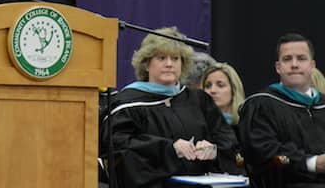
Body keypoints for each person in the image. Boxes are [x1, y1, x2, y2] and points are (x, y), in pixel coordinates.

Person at [100, 27, 241, 187]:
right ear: (146, 64)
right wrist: (169, 148)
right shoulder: (127, 104)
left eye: (175, 58)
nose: (169, 64)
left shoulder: (199, 100)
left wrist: (214, 149)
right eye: (161, 58)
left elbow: (228, 139)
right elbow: (118, 148)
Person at [239, 33, 325, 186]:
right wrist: (312, 163)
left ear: (312, 65)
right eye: (287, 59)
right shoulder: (261, 104)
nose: (294, 64)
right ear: (278, 67)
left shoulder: (322, 104)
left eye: (301, 58)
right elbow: (262, 152)